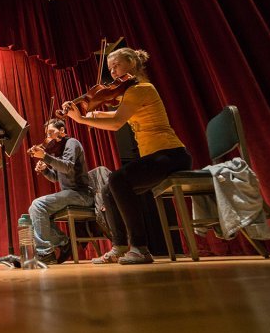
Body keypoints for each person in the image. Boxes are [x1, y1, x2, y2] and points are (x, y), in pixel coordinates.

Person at [62, 48, 192, 265]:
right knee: (108, 190)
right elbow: (115, 113)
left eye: (117, 65)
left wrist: (83, 120)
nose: (113, 72)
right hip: (157, 157)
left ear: (131, 62)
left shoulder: (142, 89)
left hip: (171, 154)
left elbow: (116, 122)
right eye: (110, 68)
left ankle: (140, 248)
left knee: (117, 179)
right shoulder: (131, 93)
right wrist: (88, 112)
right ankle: (120, 246)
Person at [27, 118, 95, 265]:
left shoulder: (72, 143)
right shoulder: (58, 150)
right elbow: (55, 177)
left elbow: (67, 167)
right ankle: (63, 243)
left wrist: (45, 157)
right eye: (47, 134)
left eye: (52, 132)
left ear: (62, 130)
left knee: (37, 205)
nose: (49, 137)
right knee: (38, 210)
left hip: (82, 194)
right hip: (71, 195)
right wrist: (45, 170)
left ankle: (45, 252)